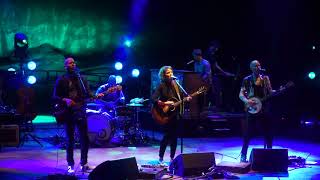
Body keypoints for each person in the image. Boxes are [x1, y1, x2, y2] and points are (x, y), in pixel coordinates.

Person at [53, 57, 103, 173]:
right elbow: (55, 96)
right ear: (65, 66)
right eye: (70, 63)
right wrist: (65, 99)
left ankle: (83, 163)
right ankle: (70, 164)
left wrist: (96, 96)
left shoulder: (82, 78)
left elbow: (88, 94)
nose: (72, 64)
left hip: (80, 111)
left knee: (84, 138)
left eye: (74, 62)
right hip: (67, 112)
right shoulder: (61, 79)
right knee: (70, 139)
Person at [151, 66, 191, 164]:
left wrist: (187, 99)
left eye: (171, 72)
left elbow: (180, 99)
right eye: (168, 73)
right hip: (165, 115)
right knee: (167, 136)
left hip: (175, 114)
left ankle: (172, 158)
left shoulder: (176, 85)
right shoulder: (161, 85)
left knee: (174, 137)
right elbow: (153, 98)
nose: (170, 74)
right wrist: (164, 103)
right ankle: (161, 157)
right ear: (163, 75)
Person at [239, 60, 274, 162]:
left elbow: (270, 92)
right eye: (255, 66)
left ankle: (270, 154)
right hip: (252, 109)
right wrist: (247, 101)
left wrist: (277, 91)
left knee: (268, 132)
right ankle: (243, 155)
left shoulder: (265, 79)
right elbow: (241, 94)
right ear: (251, 68)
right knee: (248, 133)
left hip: (264, 108)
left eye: (259, 65)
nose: (258, 67)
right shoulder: (247, 79)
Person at [205, 40, 234, 110]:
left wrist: (224, 73)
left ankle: (214, 106)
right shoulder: (209, 54)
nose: (217, 49)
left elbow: (215, 65)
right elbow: (215, 66)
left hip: (210, 75)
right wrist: (225, 73)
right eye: (216, 48)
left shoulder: (209, 54)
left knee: (214, 91)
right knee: (216, 90)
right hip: (209, 76)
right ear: (213, 47)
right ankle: (217, 107)